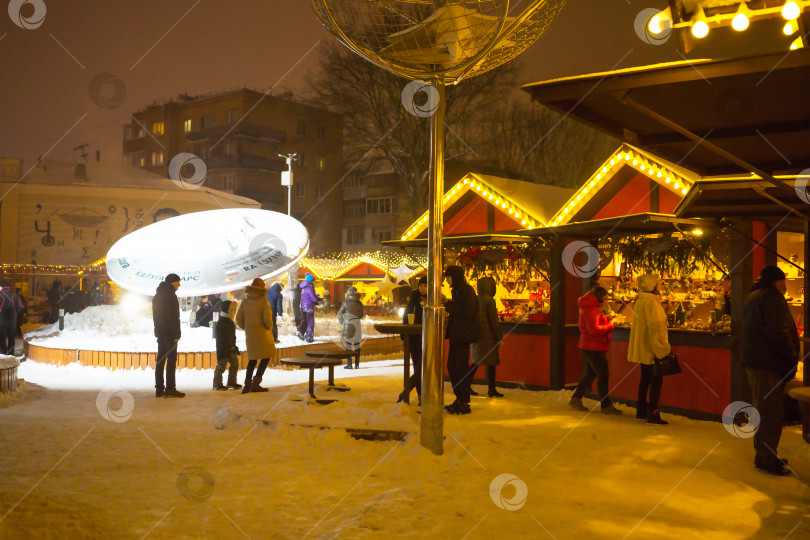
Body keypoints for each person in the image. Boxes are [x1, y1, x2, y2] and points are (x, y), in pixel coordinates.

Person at [741, 265, 799, 476]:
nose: (785, 285)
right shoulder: (772, 297)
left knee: (764, 410)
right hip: (768, 365)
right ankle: (766, 458)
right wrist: (792, 359)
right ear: (777, 281)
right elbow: (779, 332)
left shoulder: (753, 296)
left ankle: (765, 454)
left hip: (757, 363)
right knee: (771, 413)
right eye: (784, 281)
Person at [569, 285, 622, 414]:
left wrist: (606, 319)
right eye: (605, 298)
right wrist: (610, 325)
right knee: (603, 374)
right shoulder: (593, 310)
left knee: (591, 374)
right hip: (594, 347)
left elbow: (591, 326)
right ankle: (606, 405)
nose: (605, 300)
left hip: (588, 346)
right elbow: (594, 330)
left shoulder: (588, 308)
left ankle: (576, 398)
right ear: (600, 298)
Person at [628, 274, 671, 424]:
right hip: (653, 350)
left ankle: (640, 410)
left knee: (644, 380)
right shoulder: (652, 304)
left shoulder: (639, 302)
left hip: (644, 349)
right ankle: (653, 412)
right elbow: (657, 329)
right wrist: (663, 349)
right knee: (656, 382)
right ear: (653, 287)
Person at [443, 265, 480, 415]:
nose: (446, 280)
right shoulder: (458, 290)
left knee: (460, 368)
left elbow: (469, 311)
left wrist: (450, 306)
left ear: (455, 276)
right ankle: (459, 398)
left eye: (448, 277)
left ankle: (464, 402)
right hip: (456, 335)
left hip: (463, 336)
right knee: (452, 366)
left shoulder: (466, 291)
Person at [236, 278, 276, 393]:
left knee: (252, 359)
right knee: (265, 357)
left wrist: (247, 328)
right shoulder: (264, 301)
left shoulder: (245, 302)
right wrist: (269, 327)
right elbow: (268, 321)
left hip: (251, 334)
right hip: (263, 334)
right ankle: (256, 383)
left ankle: (247, 385)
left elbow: (238, 319)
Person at [471, 276, 504, 399]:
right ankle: (492, 389)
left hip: (477, 335)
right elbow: (493, 321)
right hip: (488, 336)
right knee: (491, 364)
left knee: (475, 362)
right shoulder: (490, 300)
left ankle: (467, 385)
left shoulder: (475, 299)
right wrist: (499, 337)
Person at [152, 273, 185, 398]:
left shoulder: (157, 296)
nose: (179, 284)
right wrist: (176, 334)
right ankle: (170, 388)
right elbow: (173, 317)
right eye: (178, 282)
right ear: (172, 282)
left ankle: (159, 388)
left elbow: (156, 317)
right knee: (171, 360)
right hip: (170, 334)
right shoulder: (170, 296)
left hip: (160, 333)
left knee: (160, 360)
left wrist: (159, 331)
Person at [399, 276, 427, 403]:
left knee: (421, 369)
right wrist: (405, 336)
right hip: (414, 338)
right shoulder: (413, 300)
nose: (423, 288)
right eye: (421, 285)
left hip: (426, 337)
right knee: (417, 367)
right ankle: (421, 396)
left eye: (425, 286)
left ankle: (405, 392)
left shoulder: (433, 300)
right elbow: (406, 317)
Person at [213, 300, 242, 391]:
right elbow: (223, 337)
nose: (235, 311)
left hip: (230, 347)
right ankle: (217, 384)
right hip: (224, 348)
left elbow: (230, 336)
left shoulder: (228, 320)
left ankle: (231, 382)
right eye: (233, 309)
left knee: (234, 364)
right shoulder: (223, 321)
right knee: (221, 365)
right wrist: (230, 346)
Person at [337, 287, 365, 369]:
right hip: (356, 324)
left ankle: (349, 364)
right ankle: (357, 364)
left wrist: (342, 321)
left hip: (348, 324)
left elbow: (339, 313)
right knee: (357, 344)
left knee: (348, 345)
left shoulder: (345, 303)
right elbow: (361, 315)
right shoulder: (360, 303)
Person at [0, 281, 25, 355]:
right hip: (12, 322)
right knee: (11, 340)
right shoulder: (15, 296)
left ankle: (3, 354)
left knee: (2, 340)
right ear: (9, 287)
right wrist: (15, 313)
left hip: (1, 323)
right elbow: (22, 307)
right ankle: (10, 355)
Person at [297, 274, 321, 343]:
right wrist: (318, 301)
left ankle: (300, 331)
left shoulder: (304, 287)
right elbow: (313, 298)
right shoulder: (309, 287)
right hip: (309, 307)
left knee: (305, 321)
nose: (313, 282)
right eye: (313, 280)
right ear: (311, 280)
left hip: (303, 306)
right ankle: (309, 338)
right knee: (310, 323)